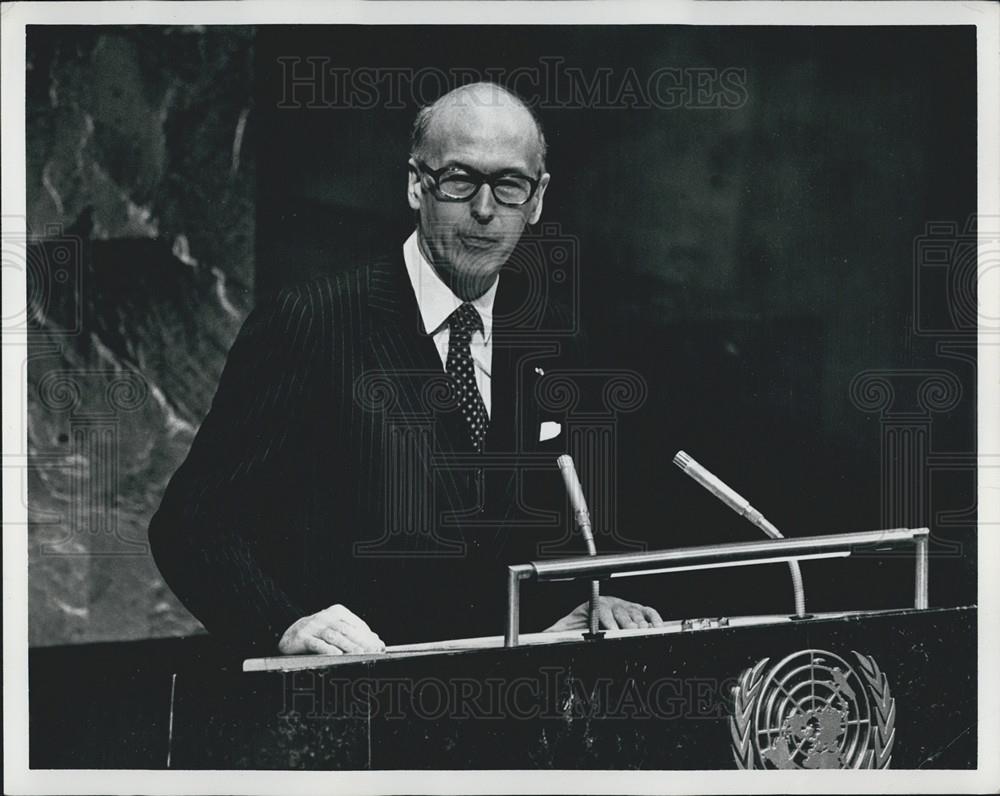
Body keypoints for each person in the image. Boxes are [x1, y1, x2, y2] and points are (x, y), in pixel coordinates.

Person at [149, 82, 663, 657]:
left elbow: (551, 526)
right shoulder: (313, 323)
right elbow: (190, 526)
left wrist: (593, 597)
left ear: (537, 199)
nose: (485, 209)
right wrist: (284, 625)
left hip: (510, 709)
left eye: (509, 184)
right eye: (460, 179)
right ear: (417, 185)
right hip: (352, 714)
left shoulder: (553, 335)